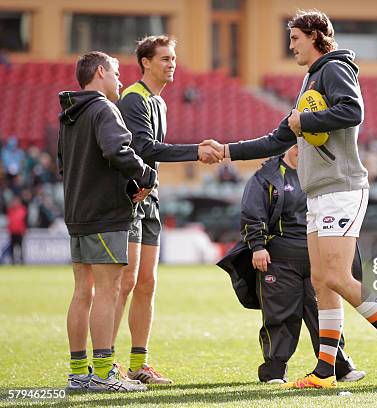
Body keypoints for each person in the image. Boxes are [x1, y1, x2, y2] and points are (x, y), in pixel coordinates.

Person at [203, 10, 377, 389]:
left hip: (341, 187)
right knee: (322, 281)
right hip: (319, 191)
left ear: (316, 36)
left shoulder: (333, 69)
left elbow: (353, 111)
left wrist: (307, 122)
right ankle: (324, 372)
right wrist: (226, 150)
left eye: (295, 39)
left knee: (337, 276)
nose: (291, 46)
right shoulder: (310, 80)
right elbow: (277, 139)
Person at [113, 35, 221, 384]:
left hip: (152, 199)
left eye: (173, 58)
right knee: (125, 282)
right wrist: (196, 151)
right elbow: (144, 147)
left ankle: (138, 363)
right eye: (164, 59)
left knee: (147, 282)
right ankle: (105, 363)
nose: (171, 64)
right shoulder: (134, 98)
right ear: (145, 62)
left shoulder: (159, 102)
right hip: (130, 199)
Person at [217, 145, 366, 384]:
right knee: (280, 314)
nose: (300, 149)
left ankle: (338, 366)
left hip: (319, 257)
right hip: (279, 260)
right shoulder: (266, 176)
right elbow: (252, 212)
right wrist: (257, 246)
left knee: (324, 313)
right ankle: (274, 370)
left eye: (305, 144)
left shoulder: (323, 173)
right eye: (296, 143)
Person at [58, 51, 157, 392]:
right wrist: (146, 176)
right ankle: (103, 374)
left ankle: (78, 374)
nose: (121, 79)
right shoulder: (103, 108)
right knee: (107, 291)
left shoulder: (69, 113)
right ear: (100, 72)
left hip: (77, 214)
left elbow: (63, 165)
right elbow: (118, 152)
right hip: (105, 215)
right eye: (116, 73)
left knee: (81, 292)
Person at [6, 196, 26, 264]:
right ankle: (12, 260)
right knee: (12, 247)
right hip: (12, 232)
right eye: (14, 202)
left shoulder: (22, 210)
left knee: (20, 247)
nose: (15, 203)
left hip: (20, 232)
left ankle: (22, 260)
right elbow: (9, 221)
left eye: (16, 202)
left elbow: (25, 221)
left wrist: (24, 229)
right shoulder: (10, 210)